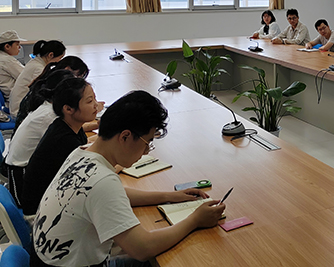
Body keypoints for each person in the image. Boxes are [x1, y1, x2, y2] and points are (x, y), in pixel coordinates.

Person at [32, 90, 225, 267]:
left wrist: (170, 196)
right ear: (125, 136)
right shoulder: (102, 181)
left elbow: (114, 194)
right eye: (147, 142)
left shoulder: (81, 153)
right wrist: (195, 220)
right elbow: (142, 248)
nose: (146, 151)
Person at [21, 77, 97, 215]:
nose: (96, 105)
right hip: (40, 213)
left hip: (51, 202)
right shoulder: (64, 140)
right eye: (90, 101)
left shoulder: (67, 125)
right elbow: (92, 173)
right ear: (68, 109)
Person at [5, 69, 75, 208]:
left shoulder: (47, 107)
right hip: (22, 180)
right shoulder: (50, 115)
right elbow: (71, 143)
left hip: (22, 171)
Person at [15, 56, 91, 130]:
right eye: (79, 76)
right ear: (67, 69)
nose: (79, 82)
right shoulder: (53, 91)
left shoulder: (48, 81)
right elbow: (67, 128)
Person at [10, 39, 65, 117]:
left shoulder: (35, 62)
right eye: (60, 58)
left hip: (19, 105)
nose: (60, 61)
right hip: (20, 110)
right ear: (50, 55)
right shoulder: (39, 68)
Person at [0, 30, 25, 101]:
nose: (19, 47)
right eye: (17, 44)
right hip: (18, 99)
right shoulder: (6, 60)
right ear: (7, 46)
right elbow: (27, 76)